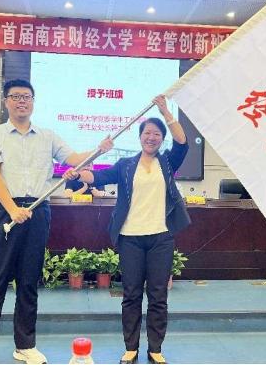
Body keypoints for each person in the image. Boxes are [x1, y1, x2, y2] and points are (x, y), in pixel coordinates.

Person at [0, 79, 114, 365]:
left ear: (33, 102)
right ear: (6, 102)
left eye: (27, 96)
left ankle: (25, 346)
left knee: (28, 282)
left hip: (37, 212)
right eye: (15, 96)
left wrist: (100, 150)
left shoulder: (47, 136)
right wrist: (13, 209)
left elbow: (74, 158)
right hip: (3, 211)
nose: (21, 101)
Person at [64, 95, 191, 365]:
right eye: (147, 133)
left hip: (160, 238)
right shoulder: (125, 165)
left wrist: (166, 112)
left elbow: (182, 142)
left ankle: (155, 349)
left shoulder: (168, 162)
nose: (151, 137)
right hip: (130, 239)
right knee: (131, 295)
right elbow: (98, 176)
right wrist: (76, 173)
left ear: (161, 139)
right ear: (140, 137)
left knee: (158, 296)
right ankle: (130, 348)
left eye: (157, 134)